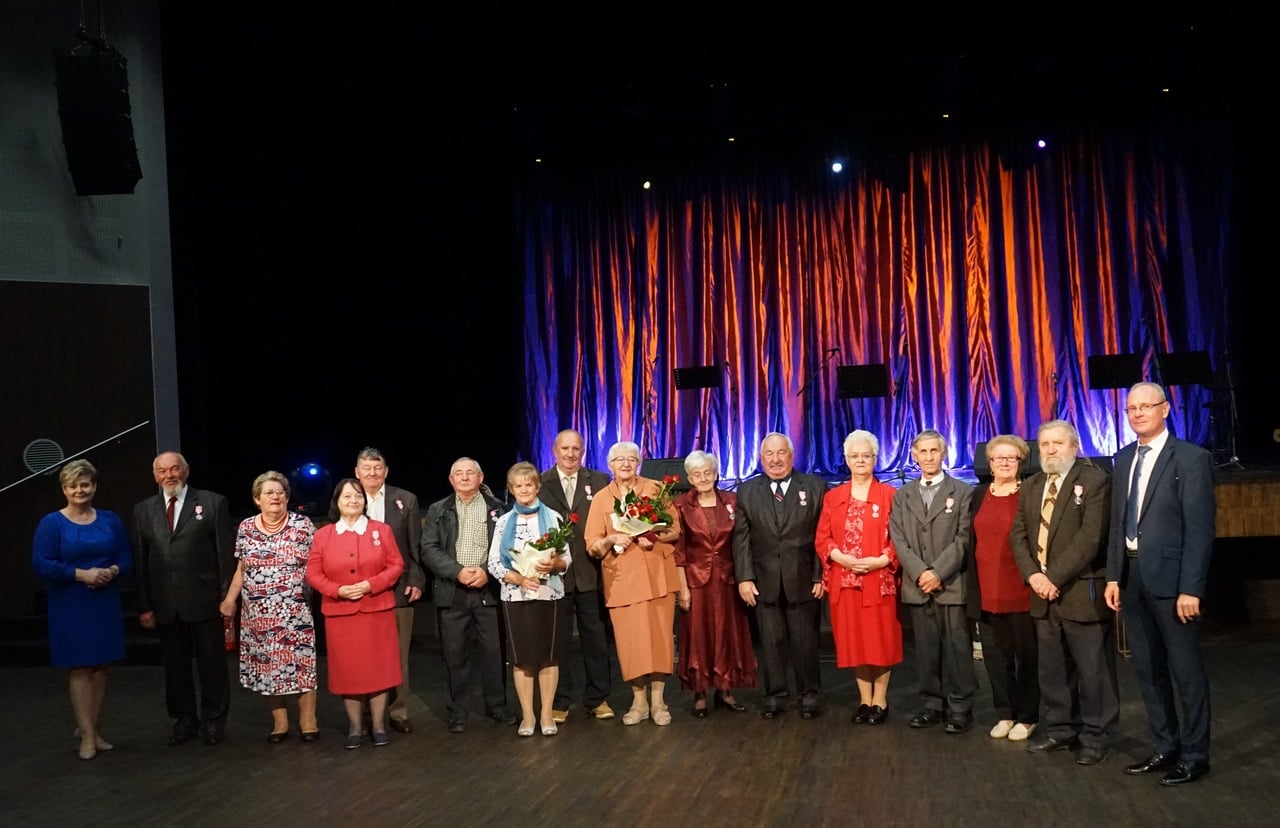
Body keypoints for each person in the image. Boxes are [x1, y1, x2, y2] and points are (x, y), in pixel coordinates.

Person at [1106, 382, 1216, 786]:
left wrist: (1191, 588)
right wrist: (1113, 575)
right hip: (1132, 579)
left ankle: (1195, 755)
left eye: (1145, 406)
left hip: (1173, 583)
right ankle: (1165, 746)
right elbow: (1118, 522)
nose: (1137, 413)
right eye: (1131, 408)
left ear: (1165, 409)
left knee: (1186, 672)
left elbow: (1200, 530)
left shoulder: (1191, 458)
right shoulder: (1122, 458)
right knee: (1148, 669)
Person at [1010, 421, 1116, 766]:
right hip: (1042, 595)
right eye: (1044, 444)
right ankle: (1059, 729)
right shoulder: (1031, 486)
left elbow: (1090, 538)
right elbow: (1018, 536)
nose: (1050, 449)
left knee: (1092, 670)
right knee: (1052, 669)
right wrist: (1033, 576)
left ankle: (1096, 735)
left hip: (1080, 591)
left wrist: (1052, 577)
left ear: (1074, 446)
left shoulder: (1094, 480)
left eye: (1058, 443)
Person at [133, 451, 236, 746]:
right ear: (155, 476)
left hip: (205, 599)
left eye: (175, 469)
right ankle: (184, 720)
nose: (169, 475)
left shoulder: (213, 503)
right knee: (176, 668)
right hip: (165, 602)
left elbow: (224, 555)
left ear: (186, 471)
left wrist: (226, 597)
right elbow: (141, 561)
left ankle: (213, 721)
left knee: (212, 665)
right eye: (163, 471)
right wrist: (144, 605)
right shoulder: (143, 510)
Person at [31, 459, 132, 760]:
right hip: (70, 603)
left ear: (94, 487)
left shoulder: (110, 520)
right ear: (64, 489)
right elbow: (42, 564)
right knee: (80, 667)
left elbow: (126, 558)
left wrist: (112, 571)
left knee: (101, 666)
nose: (80, 490)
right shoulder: (51, 523)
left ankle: (92, 728)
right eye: (73, 486)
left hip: (104, 601)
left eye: (85, 484)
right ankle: (87, 736)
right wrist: (81, 574)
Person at [583, 440, 683, 726]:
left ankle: (659, 701)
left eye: (631, 459)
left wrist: (652, 535)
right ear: (610, 465)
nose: (625, 464)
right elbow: (592, 544)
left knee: (660, 640)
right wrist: (612, 539)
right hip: (622, 580)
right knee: (631, 644)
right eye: (620, 460)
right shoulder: (602, 498)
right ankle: (638, 702)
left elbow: (674, 529)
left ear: (638, 463)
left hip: (658, 576)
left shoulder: (655, 489)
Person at [218, 471, 319, 743]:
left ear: (287, 497)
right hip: (259, 615)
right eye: (268, 493)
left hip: (296, 613)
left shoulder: (303, 525)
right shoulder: (246, 528)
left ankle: (308, 720)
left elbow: (319, 563)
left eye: (280, 492)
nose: (275, 496)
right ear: (257, 499)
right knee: (268, 666)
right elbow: (242, 568)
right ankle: (280, 722)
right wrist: (229, 599)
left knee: (302, 665)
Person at [732, 432, 827, 720]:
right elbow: (741, 539)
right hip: (764, 581)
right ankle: (774, 696)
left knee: (805, 643)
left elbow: (823, 536)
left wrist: (820, 576)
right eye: (769, 454)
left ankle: (809, 695)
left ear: (791, 456)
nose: (775, 459)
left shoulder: (815, 486)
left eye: (780, 453)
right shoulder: (747, 491)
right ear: (761, 458)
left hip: (804, 579)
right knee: (770, 644)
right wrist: (744, 577)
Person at [889, 429, 977, 734]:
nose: (928, 457)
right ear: (914, 456)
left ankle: (960, 707)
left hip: (950, 585)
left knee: (956, 649)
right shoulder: (903, 495)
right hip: (917, 586)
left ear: (944, 453)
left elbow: (964, 538)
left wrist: (937, 572)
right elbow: (898, 539)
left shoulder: (963, 492)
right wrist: (919, 572)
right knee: (926, 651)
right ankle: (931, 704)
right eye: (923, 452)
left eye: (933, 451)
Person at [305, 478, 403, 749]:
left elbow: (396, 565)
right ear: (337, 502)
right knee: (348, 672)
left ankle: (379, 726)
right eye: (347, 496)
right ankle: (355, 727)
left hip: (376, 611)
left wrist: (371, 585)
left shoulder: (381, 530)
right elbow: (313, 573)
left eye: (358, 496)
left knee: (379, 670)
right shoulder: (323, 535)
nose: (353, 500)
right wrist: (337, 590)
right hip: (341, 614)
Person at [421, 457, 517, 733]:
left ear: (480, 477)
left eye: (470, 473)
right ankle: (458, 714)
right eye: (459, 474)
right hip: (452, 591)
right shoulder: (439, 509)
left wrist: (487, 571)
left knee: (494, 653)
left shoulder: (499, 508)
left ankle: (497, 708)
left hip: (490, 590)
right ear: (451, 480)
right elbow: (428, 548)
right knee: (454, 655)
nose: (464, 478)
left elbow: (509, 546)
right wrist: (457, 572)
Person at [814, 430, 901, 726]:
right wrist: (840, 557)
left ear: (875, 459)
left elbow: (901, 538)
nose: (860, 460)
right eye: (855, 456)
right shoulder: (833, 497)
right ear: (846, 459)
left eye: (866, 455)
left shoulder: (890, 496)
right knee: (855, 643)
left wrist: (882, 559)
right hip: (845, 581)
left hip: (879, 581)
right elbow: (822, 537)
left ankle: (881, 700)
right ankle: (864, 700)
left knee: (880, 641)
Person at [488, 462, 572, 736]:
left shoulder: (554, 518)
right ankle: (528, 716)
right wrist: (520, 579)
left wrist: (555, 564)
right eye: (518, 486)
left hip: (550, 595)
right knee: (521, 658)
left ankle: (546, 714)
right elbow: (494, 563)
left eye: (528, 484)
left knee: (548, 657)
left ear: (537, 487)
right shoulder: (503, 522)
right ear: (511, 490)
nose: (524, 490)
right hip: (516, 597)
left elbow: (566, 559)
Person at [671, 450, 757, 718]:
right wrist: (682, 588)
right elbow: (678, 551)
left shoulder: (731, 501)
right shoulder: (680, 505)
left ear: (716, 474)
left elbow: (742, 540)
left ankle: (725, 690)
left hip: (728, 581)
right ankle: (699, 694)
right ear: (689, 478)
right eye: (697, 474)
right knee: (698, 636)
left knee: (727, 634)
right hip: (696, 582)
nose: (703, 478)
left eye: (708, 472)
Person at [967, 435, 1040, 742]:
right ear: (990, 463)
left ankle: (1028, 716)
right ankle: (1005, 714)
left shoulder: (1030, 493)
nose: (1005, 463)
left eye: (1012, 458)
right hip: (987, 592)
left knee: (1027, 659)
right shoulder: (978, 494)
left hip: (1021, 591)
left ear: (1021, 462)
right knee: (996, 660)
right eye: (999, 458)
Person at [541, 429, 615, 723]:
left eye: (576, 449)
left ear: (583, 451)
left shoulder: (599, 480)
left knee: (596, 640)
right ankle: (560, 700)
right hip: (554, 576)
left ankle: (598, 698)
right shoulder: (541, 482)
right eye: (565, 448)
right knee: (557, 641)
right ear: (555, 451)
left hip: (589, 572)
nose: (570, 454)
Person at [354, 447, 424, 734]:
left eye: (377, 467)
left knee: (398, 656)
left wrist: (416, 579)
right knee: (362, 655)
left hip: (398, 589)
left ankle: (398, 712)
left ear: (386, 471)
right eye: (366, 468)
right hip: (358, 592)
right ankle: (364, 715)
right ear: (357, 472)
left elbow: (415, 546)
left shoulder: (405, 499)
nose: (372, 473)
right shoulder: (348, 497)